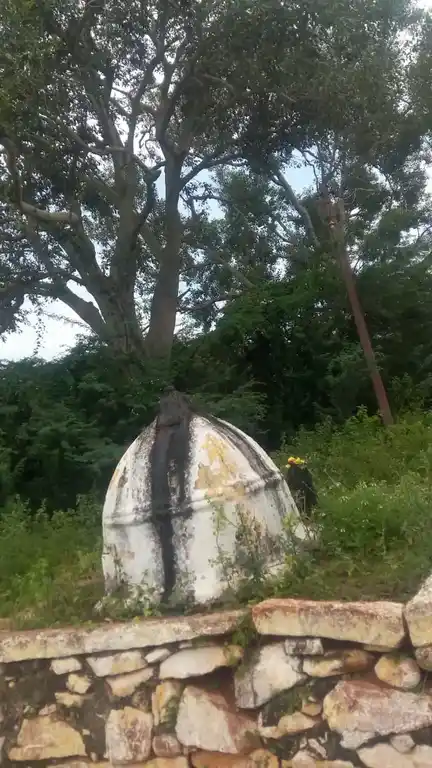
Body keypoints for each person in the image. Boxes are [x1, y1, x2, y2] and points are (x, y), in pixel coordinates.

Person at [284, 456, 317, 521]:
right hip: (301, 488)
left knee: (305, 502)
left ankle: (306, 516)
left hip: (304, 488)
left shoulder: (297, 470)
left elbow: (307, 480)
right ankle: (305, 515)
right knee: (304, 502)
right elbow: (291, 480)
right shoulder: (295, 470)